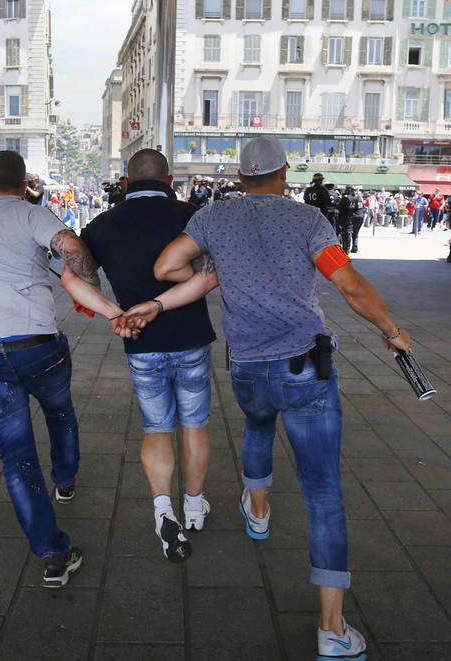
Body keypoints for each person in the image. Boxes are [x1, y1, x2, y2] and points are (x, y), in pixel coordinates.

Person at [147, 136, 410, 661]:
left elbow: (165, 268)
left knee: (257, 427)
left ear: (241, 177)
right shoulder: (309, 221)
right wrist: (391, 329)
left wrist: (214, 274)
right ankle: (332, 630)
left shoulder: (212, 218)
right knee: (324, 494)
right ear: (284, 174)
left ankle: (259, 511)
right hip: (306, 369)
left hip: (248, 367)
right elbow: (349, 284)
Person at [0, 150, 127, 588]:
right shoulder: (29, 213)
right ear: (24, 183)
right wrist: (90, 283)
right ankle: (65, 479)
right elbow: (71, 247)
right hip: (36, 343)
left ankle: (53, 554)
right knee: (59, 409)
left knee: (15, 457)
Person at [67, 148, 217, 564]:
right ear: (170, 182)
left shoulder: (100, 224)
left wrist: (117, 313)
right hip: (191, 339)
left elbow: (71, 278)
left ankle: (163, 510)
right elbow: (209, 275)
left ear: (127, 184)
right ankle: (194, 505)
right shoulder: (193, 216)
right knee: (194, 425)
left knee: (156, 429)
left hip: (140, 343)